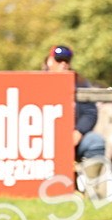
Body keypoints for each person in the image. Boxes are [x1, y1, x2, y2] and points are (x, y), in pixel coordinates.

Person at [44, 44, 107, 189]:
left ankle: (96, 194)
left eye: (67, 61)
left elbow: (90, 112)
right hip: (45, 142)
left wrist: (79, 131)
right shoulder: (37, 82)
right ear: (49, 62)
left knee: (96, 141)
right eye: (59, 60)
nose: (64, 64)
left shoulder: (79, 82)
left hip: (73, 139)